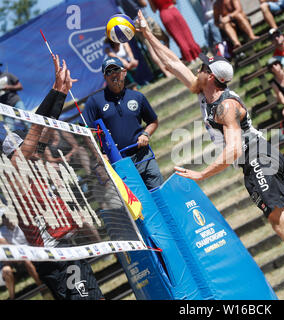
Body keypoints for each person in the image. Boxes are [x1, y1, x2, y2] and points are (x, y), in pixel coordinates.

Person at [135, 10, 284, 300]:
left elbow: (233, 149)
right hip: (263, 155)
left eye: (203, 67)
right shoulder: (204, 92)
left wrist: (202, 173)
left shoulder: (226, 106)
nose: (198, 69)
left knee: (282, 222)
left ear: (211, 76)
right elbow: (172, 63)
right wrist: (146, 34)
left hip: (257, 157)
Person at [1, 54, 104, 300]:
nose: (24, 149)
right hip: (52, 254)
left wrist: (61, 93)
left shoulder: (28, 162)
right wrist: (56, 90)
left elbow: (44, 128)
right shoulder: (11, 172)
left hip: (63, 249)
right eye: (18, 148)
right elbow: (35, 130)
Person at [82, 57, 163, 190]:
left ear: (124, 72)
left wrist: (146, 134)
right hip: (118, 161)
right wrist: (98, 154)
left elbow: (153, 122)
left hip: (144, 156)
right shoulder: (94, 102)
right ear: (104, 77)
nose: (113, 74)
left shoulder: (137, 97)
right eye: (109, 72)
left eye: (116, 70)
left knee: (160, 194)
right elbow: (86, 132)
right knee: (137, 204)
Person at [116, 0, 172, 77]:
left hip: (134, 23)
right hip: (144, 18)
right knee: (165, 39)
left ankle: (166, 72)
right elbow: (144, 4)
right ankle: (169, 63)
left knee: (150, 48)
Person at [0, 209, 42, 300]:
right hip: (16, 261)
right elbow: (7, 251)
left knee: (27, 261)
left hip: (32, 255)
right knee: (6, 269)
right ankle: (12, 298)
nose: (6, 219)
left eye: (7, 216)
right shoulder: (1, 232)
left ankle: (42, 288)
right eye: (3, 217)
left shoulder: (23, 225)